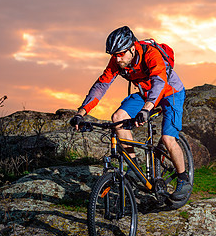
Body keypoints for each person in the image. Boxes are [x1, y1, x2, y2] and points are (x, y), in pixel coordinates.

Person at [69, 26, 191, 200]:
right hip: (146, 93)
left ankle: (183, 178)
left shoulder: (151, 55)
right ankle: (134, 167)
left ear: (132, 48)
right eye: (114, 55)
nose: (117, 59)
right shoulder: (117, 61)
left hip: (171, 92)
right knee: (118, 118)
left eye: (120, 54)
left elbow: (159, 82)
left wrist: (146, 110)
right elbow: (101, 85)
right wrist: (81, 113)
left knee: (167, 138)